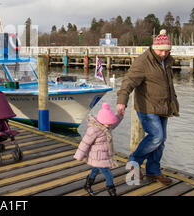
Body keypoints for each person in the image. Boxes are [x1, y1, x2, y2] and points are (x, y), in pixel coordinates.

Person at [116, 29, 179, 186]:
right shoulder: (143, 61)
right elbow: (128, 81)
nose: (163, 53)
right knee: (156, 137)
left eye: (167, 50)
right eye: (161, 50)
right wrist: (122, 100)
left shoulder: (168, 60)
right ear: (153, 47)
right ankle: (133, 162)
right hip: (147, 106)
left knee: (161, 141)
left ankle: (153, 171)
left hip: (164, 106)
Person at [74, 103, 124, 196]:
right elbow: (85, 142)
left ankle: (87, 185)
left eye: (110, 124)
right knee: (109, 174)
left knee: (95, 170)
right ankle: (112, 191)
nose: (110, 126)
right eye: (108, 124)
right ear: (102, 121)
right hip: (97, 156)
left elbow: (115, 122)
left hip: (104, 156)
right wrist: (79, 155)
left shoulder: (107, 126)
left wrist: (120, 115)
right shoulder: (94, 130)